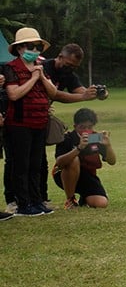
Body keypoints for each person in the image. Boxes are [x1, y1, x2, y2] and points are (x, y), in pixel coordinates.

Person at [4, 43, 104, 212]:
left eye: (74, 67)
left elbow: (81, 91)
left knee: (38, 161)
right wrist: (83, 97)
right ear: (60, 56)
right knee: (15, 161)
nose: (70, 68)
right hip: (16, 119)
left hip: (38, 119)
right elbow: (55, 94)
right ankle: (14, 200)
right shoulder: (40, 67)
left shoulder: (67, 73)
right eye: (69, 64)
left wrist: (97, 94)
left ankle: (39, 199)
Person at [2, 28, 58, 216]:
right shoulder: (12, 68)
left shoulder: (40, 67)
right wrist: (33, 78)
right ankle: (23, 203)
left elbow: (53, 93)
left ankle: (37, 200)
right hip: (19, 124)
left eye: (38, 46)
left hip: (39, 123)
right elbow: (14, 94)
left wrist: (41, 76)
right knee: (21, 165)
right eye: (31, 46)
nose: (35, 50)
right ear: (19, 49)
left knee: (36, 165)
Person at [52, 108, 116, 209]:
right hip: (64, 175)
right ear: (75, 126)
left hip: (87, 176)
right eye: (82, 127)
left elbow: (112, 162)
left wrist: (108, 146)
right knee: (74, 160)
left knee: (101, 203)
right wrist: (79, 148)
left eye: (89, 127)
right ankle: (70, 199)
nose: (86, 131)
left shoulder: (96, 138)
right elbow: (59, 163)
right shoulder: (67, 138)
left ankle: (85, 198)